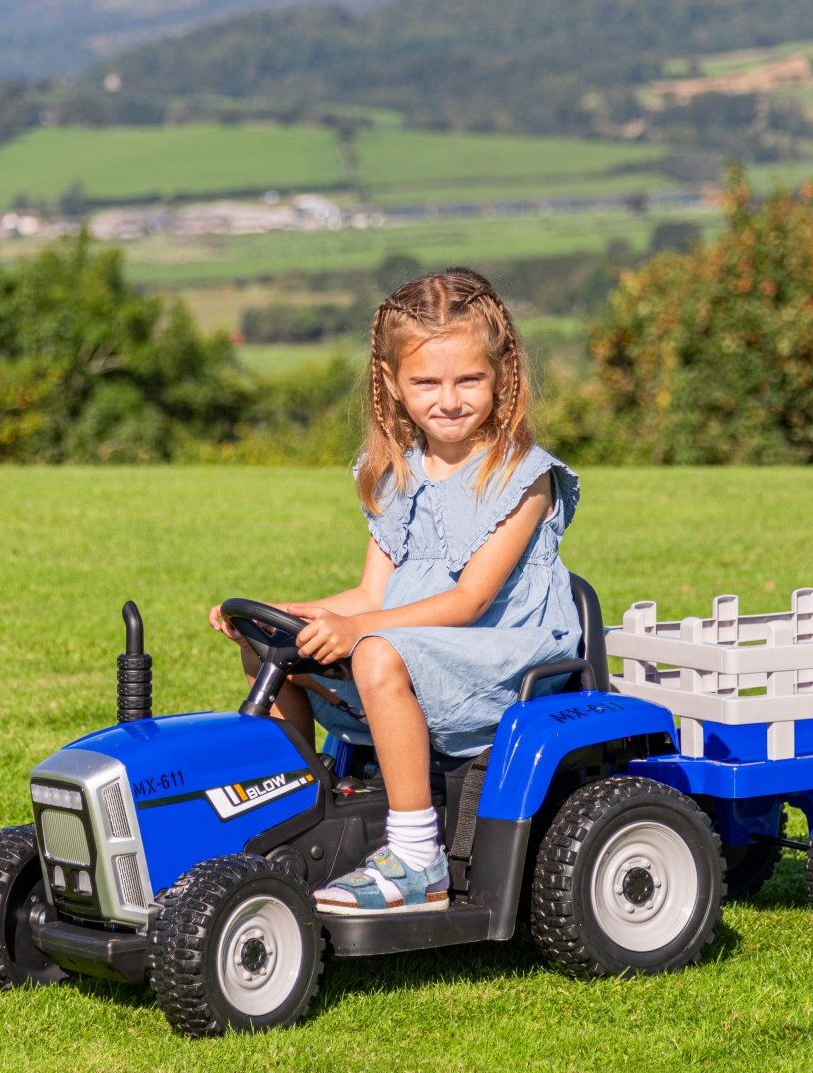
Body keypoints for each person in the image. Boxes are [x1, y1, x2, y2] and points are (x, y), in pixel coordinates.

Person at [208, 267, 581, 915]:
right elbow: (370, 594)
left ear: (503, 374)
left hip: (502, 654)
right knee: (276, 654)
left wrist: (363, 631)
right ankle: (302, 807)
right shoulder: (393, 476)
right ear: (392, 384)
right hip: (419, 644)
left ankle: (416, 857)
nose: (450, 398)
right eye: (427, 382)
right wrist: (298, 616)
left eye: (469, 379)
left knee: (377, 651)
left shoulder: (524, 479)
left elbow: (467, 603)